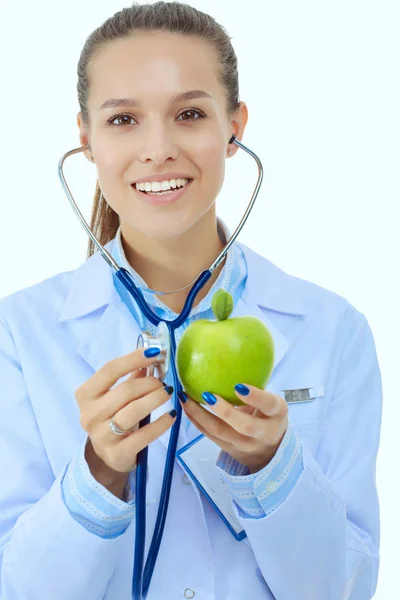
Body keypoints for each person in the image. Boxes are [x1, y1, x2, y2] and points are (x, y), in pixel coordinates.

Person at [0, 2, 382, 599]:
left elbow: (344, 589)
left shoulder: (333, 329)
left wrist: (272, 466)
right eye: (124, 120)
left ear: (235, 129)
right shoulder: (19, 334)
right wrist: (100, 471)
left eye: (190, 113)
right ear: (86, 139)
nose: (158, 149)